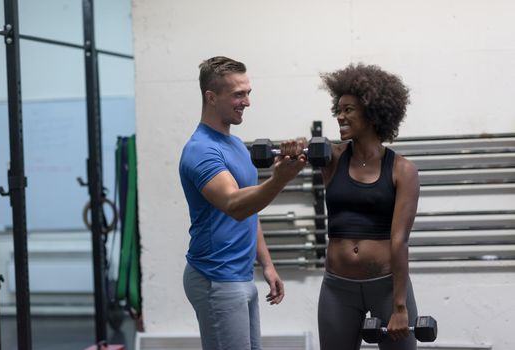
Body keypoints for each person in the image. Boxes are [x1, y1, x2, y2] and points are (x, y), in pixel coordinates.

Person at [179, 56, 307, 350]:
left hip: (240, 274)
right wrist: (278, 180)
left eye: (248, 93)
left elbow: (250, 210)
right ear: (211, 97)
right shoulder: (201, 150)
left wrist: (267, 264)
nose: (247, 102)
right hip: (216, 276)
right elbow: (235, 205)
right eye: (239, 94)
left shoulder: (234, 144)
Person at [317, 63, 419, 350]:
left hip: (386, 287)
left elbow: (399, 240)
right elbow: (298, 154)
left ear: (372, 112)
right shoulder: (331, 159)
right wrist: (290, 150)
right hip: (338, 288)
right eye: (338, 109)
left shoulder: (402, 170)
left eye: (349, 109)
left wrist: (400, 307)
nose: (340, 116)